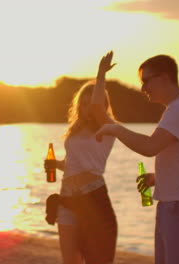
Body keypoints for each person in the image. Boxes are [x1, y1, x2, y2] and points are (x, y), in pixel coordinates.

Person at [96, 54, 179, 264]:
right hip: (176, 205)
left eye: (146, 80)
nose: (143, 88)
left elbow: (150, 147)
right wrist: (159, 177)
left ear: (165, 77)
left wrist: (115, 129)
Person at [45, 51, 118, 264]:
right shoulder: (74, 131)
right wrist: (56, 164)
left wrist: (101, 74)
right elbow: (73, 164)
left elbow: (97, 105)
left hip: (93, 199)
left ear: (102, 106)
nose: (88, 109)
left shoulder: (108, 129)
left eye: (92, 104)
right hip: (67, 199)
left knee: (95, 259)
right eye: (83, 104)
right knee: (70, 260)